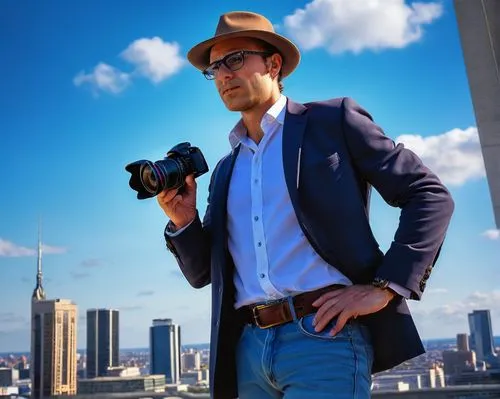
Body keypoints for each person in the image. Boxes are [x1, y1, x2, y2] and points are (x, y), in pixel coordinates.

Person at [158, 11, 454, 399]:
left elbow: (428, 195)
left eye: (234, 59)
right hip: (246, 350)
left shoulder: (333, 121)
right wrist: (183, 221)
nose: (224, 74)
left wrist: (386, 287)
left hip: (324, 337)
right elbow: (203, 274)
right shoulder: (226, 170)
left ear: (273, 63)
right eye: (215, 68)